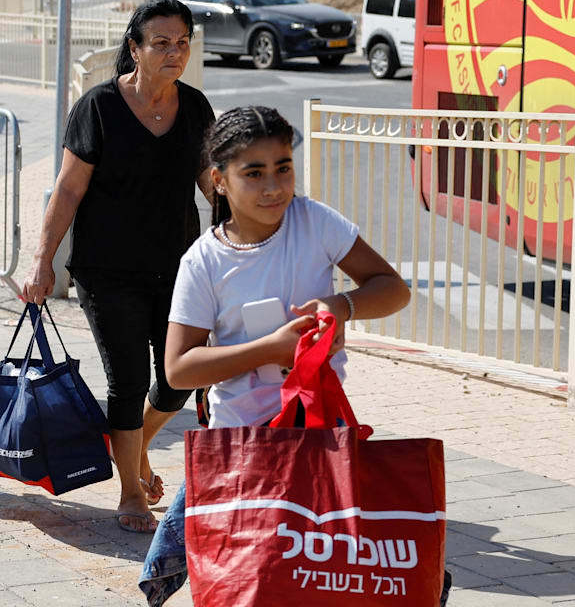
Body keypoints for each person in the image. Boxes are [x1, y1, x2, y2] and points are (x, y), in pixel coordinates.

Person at [136, 105, 411, 605]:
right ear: (219, 180)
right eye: (254, 173)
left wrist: (340, 306)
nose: (273, 187)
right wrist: (269, 348)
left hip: (317, 438)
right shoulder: (203, 261)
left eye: (283, 167)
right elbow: (179, 367)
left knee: (315, 573)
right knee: (240, 577)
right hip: (239, 447)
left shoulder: (314, 222)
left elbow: (393, 289)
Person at [20, 0, 216, 534]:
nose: (174, 52)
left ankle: (138, 444)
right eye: (161, 43)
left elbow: (212, 184)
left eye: (182, 43)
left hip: (180, 269)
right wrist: (41, 261)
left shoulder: (196, 108)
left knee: (179, 379)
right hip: (108, 272)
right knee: (128, 381)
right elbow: (67, 190)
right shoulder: (99, 107)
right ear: (135, 48)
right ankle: (131, 489)